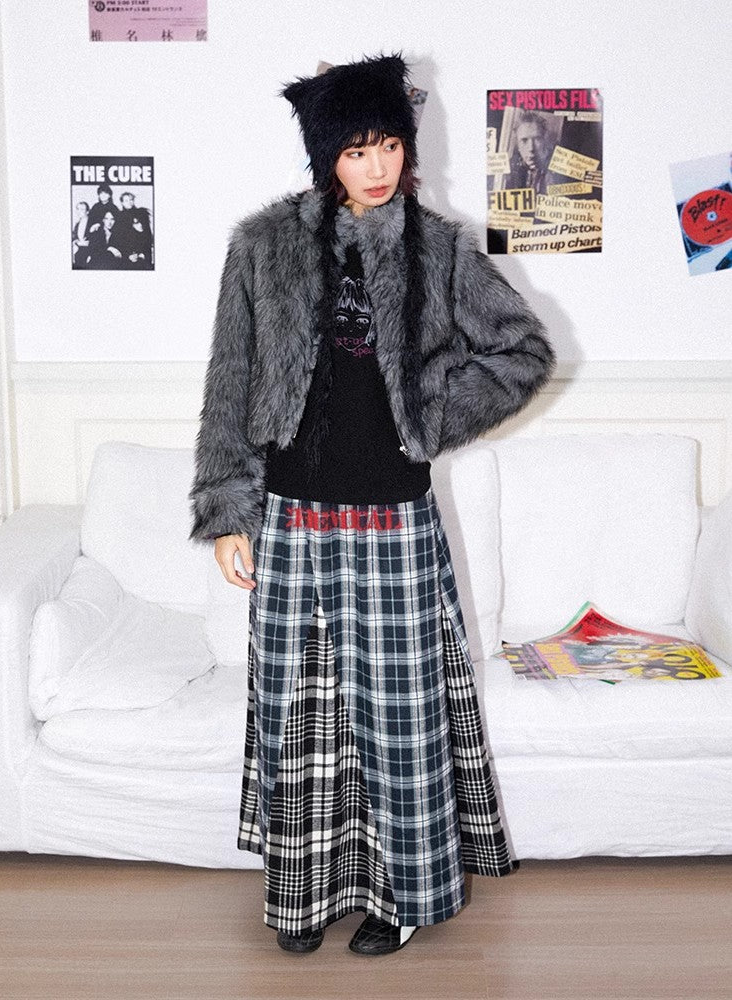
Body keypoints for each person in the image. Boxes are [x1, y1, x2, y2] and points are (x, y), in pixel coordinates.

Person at [188, 53, 556, 957]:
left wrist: (431, 416)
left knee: (399, 719)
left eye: (388, 143)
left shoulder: (439, 249)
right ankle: (305, 896)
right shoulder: (262, 246)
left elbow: (523, 351)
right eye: (356, 149)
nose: (377, 165)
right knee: (300, 717)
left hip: (393, 517)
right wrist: (227, 508)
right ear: (327, 156)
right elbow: (229, 382)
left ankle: (402, 897)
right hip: (293, 517)